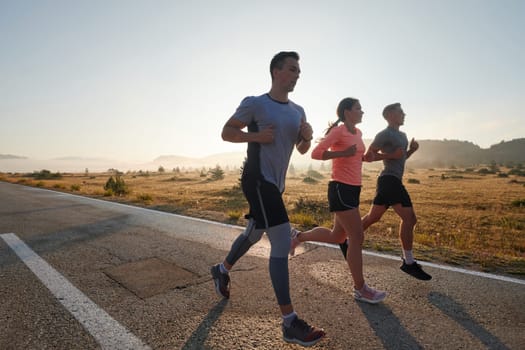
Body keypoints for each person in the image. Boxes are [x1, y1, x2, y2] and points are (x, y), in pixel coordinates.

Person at [210, 51, 325, 347]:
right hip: (257, 179)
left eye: (299, 70)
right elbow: (226, 132)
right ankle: (289, 322)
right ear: (276, 71)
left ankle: (221, 270)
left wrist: (307, 137)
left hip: (275, 183)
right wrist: (256, 138)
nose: (297, 74)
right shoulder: (255, 103)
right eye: (292, 69)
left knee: (255, 232)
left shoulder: (299, 110)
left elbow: (300, 149)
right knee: (281, 240)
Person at [289, 97, 387, 304]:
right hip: (340, 188)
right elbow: (316, 153)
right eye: (358, 108)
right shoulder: (338, 131)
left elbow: (356, 156)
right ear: (347, 112)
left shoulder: (358, 133)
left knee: (337, 237)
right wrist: (343, 152)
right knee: (357, 237)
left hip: (353, 189)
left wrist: (367, 157)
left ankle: (299, 236)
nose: (362, 112)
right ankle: (360, 289)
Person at [338, 102, 432, 280]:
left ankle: (347, 241)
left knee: (374, 217)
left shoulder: (403, 135)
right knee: (410, 218)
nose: (404, 114)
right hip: (389, 180)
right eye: (400, 112)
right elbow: (368, 156)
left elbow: (400, 157)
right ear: (390, 115)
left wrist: (411, 150)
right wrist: (390, 155)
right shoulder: (384, 134)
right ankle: (409, 262)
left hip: (389, 181)